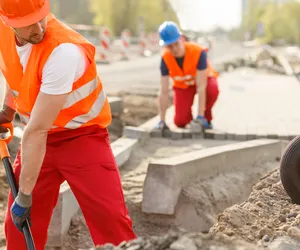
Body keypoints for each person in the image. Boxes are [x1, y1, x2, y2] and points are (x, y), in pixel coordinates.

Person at [0, 0, 136, 249]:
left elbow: (37, 130)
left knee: (111, 223)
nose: (39, 28)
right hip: (39, 142)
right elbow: (16, 71)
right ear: (8, 23)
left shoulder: (64, 50)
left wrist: (26, 194)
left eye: (42, 17)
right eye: (28, 25)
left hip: (83, 138)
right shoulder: (4, 34)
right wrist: (7, 110)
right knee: (18, 228)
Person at [155, 21, 219, 131]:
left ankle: (205, 118)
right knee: (180, 122)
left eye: (176, 44)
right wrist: (162, 120)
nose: (174, 49)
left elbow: (201, 87)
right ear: (165, 45)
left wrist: (200, 116)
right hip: (183, 86)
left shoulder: (198, 52)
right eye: (170, 46)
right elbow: (164, 91)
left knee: (212, 90)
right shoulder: (165, 58)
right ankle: (189, 121)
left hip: (203, 82)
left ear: (182, 39)